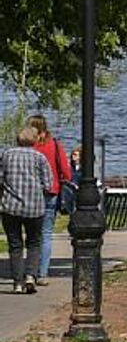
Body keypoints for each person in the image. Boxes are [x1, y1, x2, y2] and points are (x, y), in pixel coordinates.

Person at [1, 127, 53, 294]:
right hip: (34, 207)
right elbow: (48, 183)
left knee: (15, 244)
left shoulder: (7, 155)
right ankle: (30, 275)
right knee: (34, 242)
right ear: (35, 140)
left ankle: (17, 282)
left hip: (10, 206)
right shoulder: (40, 157)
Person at [26, 116, 69, 283]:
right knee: (46, 234)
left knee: (31, 234)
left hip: (29, 193)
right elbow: (66, 171)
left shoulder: (27, 146)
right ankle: (42, 272)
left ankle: (29, 271)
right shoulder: (55, 144)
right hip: (51, 191)